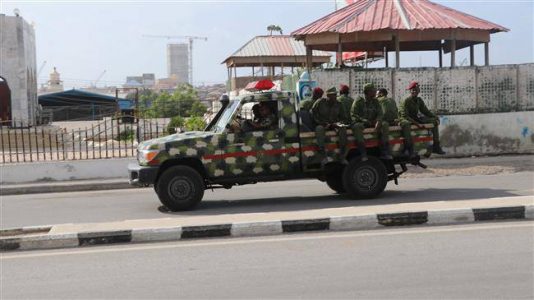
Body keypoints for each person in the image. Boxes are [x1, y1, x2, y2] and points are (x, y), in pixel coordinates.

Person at [399, 81, 445, 154]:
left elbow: (426, 111)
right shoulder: (406, 100)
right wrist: (417, 124)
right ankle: (408, 148)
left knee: (434, 121)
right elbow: (404, 116)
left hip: (414, 118)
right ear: (410, 91)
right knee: (406, 123)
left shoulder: (419, 100)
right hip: (405, 119)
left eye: (416, 90)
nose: (415, 91)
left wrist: (435, 117)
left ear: (419, 91)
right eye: (413, 90)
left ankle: (436, 146)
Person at [351, 83, 392, 160]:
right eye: (373, 90)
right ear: (368, 92)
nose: (375, 92)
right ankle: (363, 153)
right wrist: (364, 120)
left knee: (384, 124)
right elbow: (353, 114)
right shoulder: (359, 101)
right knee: (357, 127)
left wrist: (378, 121)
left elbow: (380, 113)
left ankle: (384, 152)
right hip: (362, 123)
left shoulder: (375, 101)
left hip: (373, 122)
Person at [376, 88, 415, 158]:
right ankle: (410, 150)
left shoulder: (378, 100)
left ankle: (385, 151)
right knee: (406, 123)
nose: (376, 95)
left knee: (384, 126)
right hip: (394, 120)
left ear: (381, 94)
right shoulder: (392, 100)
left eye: (377, 94)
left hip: (385, 121)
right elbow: (396, 111)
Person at [311, 86, 344, 165]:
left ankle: (342, 154)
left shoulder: (339, 104)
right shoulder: (320, 102)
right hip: (323, 124)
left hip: (334, 124)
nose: (335, 97)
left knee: (342, 128)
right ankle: (322, 153)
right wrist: (321, 123)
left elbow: (343, 117)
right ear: (328, 96)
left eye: (336, 95)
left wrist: (338, 123)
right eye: (333, 95)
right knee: (319, 129)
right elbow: (312, 114)